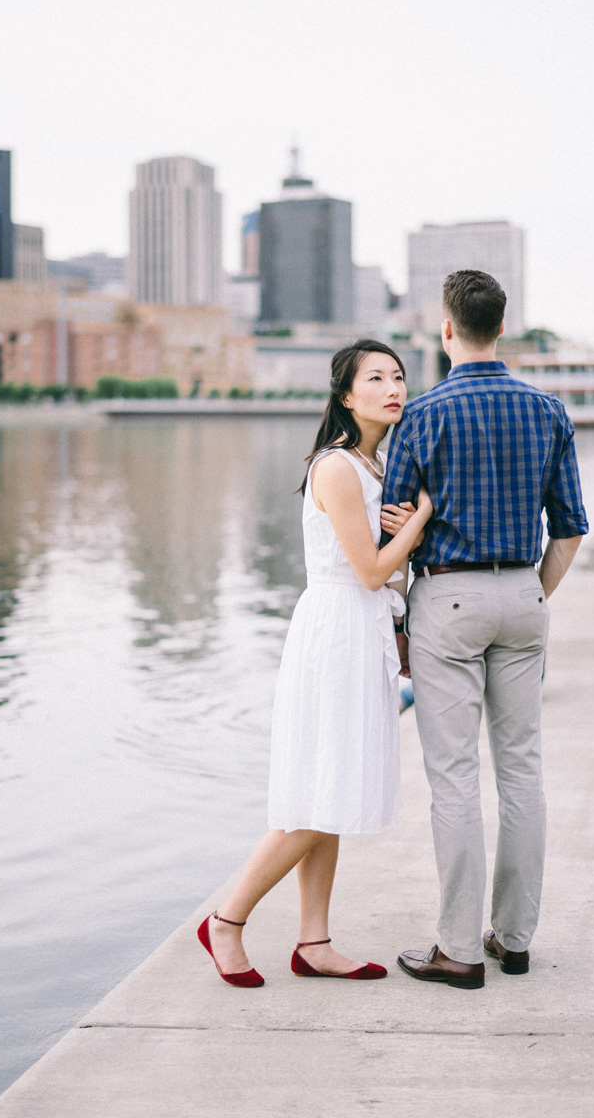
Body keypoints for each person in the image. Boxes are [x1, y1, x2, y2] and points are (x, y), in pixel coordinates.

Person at [198, 340, 432, 988]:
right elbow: (368, 571)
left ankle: (314, 942)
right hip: (336, 635)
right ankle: (226, 920)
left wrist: (404, 527)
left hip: (364, 633)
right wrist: (422, 521)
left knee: (330, 790)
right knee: (316, 799)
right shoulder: (336, 468)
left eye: (398, 376)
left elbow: (389, 578)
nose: (393, 387)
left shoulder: (374, 465)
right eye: (376, 377)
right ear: (345, 394)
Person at [382, 269, 589, 990]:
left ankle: (459, 949)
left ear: (447, 329)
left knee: (455, 780)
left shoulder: (422, 416)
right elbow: (569, 530)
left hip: (449, 600)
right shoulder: (549, 410)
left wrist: (404, 616)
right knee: (523, 771)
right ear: (502, 326)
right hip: (524, 594)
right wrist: (532, 592)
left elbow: (396, 532)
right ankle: (516, 938)